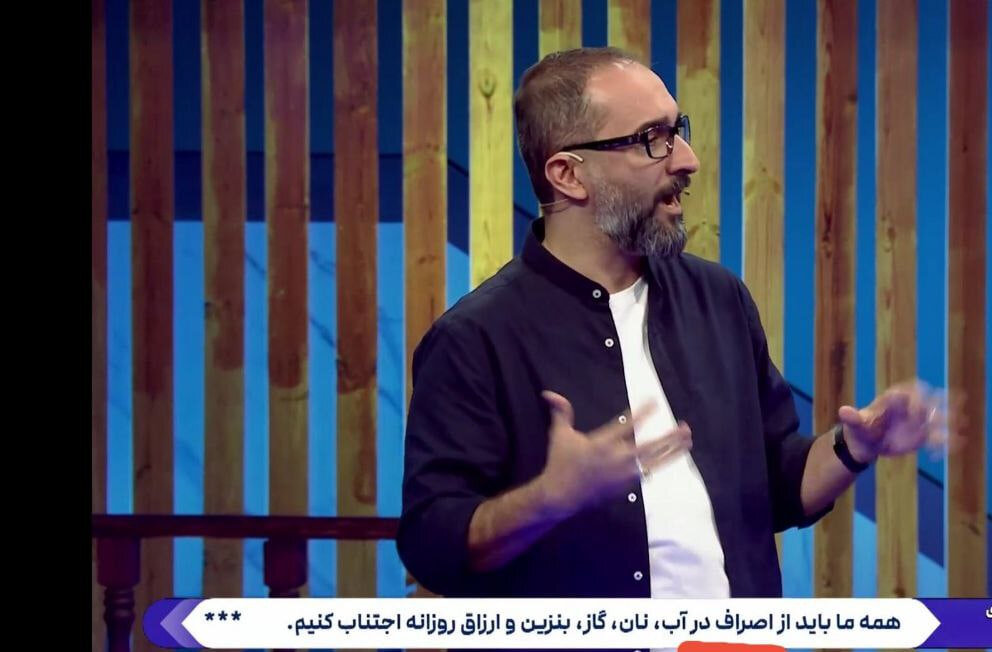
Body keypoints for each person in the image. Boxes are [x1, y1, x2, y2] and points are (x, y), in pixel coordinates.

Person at [396, 47, 948, 600]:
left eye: (676, 130)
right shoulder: (473, 339)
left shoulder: (719, 299)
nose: (687, 159)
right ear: (568, 175)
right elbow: (432, 548)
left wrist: (854, 446)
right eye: (651, 139)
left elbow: (777, 487)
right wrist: (548, 499)